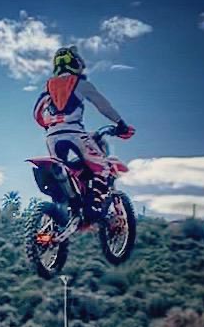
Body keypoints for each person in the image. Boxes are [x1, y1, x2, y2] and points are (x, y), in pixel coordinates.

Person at [33, 46, 135, 228]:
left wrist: (49, 125)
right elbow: (103, 105)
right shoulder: (81, 84)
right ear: (75, 63)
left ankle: (67, 208)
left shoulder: (48, 86)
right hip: (75, 133)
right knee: (102, 166)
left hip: (52, 137)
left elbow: (37, 113)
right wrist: (121, 123)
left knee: (63, 170)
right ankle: (93, 207)